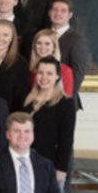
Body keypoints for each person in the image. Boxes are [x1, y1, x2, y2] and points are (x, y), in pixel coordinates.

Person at [24, 57, 77, 186]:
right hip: (25, 163)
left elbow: (66, 139)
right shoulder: (27, 100)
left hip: (50, 165)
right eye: (40, 72)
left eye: (49, 73)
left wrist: (61, 169)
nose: (44, 77)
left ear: (57, 76)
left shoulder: (66, 103)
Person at [0, 20, 30, 112]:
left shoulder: (20, 63)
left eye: (5, 35)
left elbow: (20, 98)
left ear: (12, 38)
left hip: (4, 115)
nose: (0, 38)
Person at [47, 0, 90, 94]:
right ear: (49, 13)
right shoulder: (42, 36)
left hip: (64, 95)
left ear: (70, 15)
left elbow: (78, 73)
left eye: (63, 11)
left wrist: (66, 96)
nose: (58, 13)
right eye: (55, 10)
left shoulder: (77, 40)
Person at [29, 29, 75, 97]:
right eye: (39, 43)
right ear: (34, 46)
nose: (42, 47)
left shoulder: (65, 70)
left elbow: (67, 97)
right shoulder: (30, 70)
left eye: (47, 44)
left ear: (54, 47)